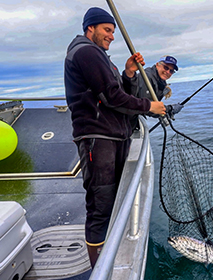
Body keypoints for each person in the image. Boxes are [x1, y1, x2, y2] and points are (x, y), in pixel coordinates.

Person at [64, 7, 165, 268]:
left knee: (113, 198)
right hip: (98, 138)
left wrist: (129, 72)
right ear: (91, 28)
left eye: (113, 31)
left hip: (114, 136)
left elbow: (118, 90)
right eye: (107, 30)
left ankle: (110, 250)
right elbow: (112, 98)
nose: (111, 36)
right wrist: (149, 106)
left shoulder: (102, 57)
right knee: (100, 204)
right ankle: (101, 268)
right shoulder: (86, 51)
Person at [130, 55, 183, 130]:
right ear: (158, 65)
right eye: (166, 67)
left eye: (171, 71)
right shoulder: (146, 77)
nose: (167, 72)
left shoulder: (160, 82)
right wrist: (170, 109)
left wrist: (164, 113)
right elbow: (147, 107)